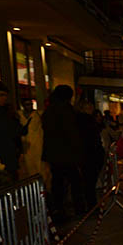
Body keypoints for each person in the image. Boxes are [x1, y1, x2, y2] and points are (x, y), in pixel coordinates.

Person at [42, 85, 86, 222]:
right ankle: (78, 208)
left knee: (58, 183)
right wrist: (78, 152)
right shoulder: (65, 110)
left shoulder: (49, 110)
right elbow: (71, 133)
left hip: (54, 154)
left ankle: (59, 210)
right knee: (75, 181)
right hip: (67, 154)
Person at [0, 82, 23, 186]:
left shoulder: (4, 111)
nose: (4, 98)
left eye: (5, 95)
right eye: (1, 95)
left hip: (6, 156)